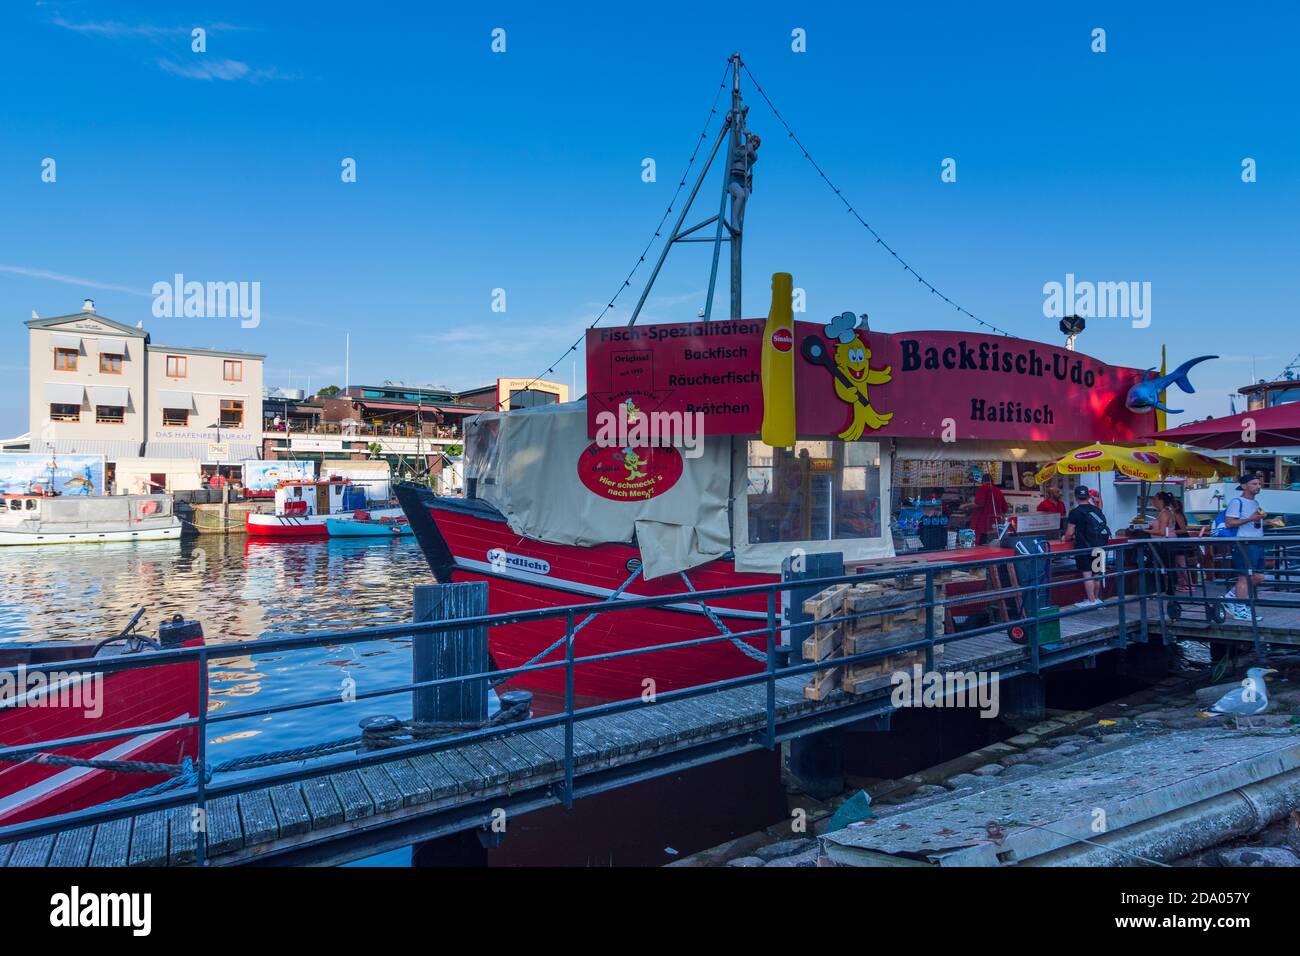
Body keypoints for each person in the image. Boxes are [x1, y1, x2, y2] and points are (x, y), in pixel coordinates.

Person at [1223, 473, 1266, 622]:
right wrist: (1251, 518)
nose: (1258, 486)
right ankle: (1240, 610)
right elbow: (1229, 522)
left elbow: (1254, 524)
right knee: (1245, 577)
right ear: (1244, 486)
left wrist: (1270, 522)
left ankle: (1229, 598)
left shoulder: (1255, 503)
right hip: (1244, 544)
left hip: (1257, 542)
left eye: (1259, 484)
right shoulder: (1236, 501)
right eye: (1254, 484)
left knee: (1258, 577)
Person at [1063, 485, 1111, 607]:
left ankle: (1091, 600)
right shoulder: (1097, 510)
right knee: (1096, 573)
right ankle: (1097, 599)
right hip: (1099, 545)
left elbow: (1069, 533)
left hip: (1084, 547)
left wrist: (1065, 538)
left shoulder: (1075, 512)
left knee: (1087, 574)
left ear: (1076, 497)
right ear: (1088, 496)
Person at [969, 473, 1007, 544]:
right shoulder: (998, 491)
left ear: (983, 481)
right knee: (991, 544)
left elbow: (979, 504)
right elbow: (1005, 508)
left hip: (981, 524)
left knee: (979, 545)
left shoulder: (982, 488)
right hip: (994, 525)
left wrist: (965, 506)